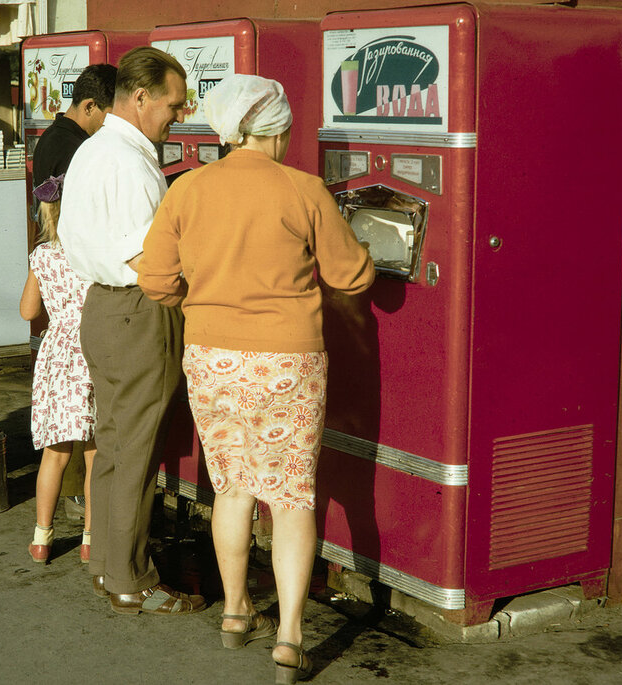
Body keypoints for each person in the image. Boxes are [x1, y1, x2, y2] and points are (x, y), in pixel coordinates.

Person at [137, 74, 375, 682]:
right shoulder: (305, 189)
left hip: (212, 357)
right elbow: (352, 277)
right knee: (292, 496)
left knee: (233, 486)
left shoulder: (187, 189)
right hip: (288, 361)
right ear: (279, 128)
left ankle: (237, 612)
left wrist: (208, 296)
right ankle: (292, 637)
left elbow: (157, 282)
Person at [58, 46, 205, 615]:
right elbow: (154, 259)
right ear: (140, 97)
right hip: (139, 311)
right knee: (136, 454)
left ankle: (107, 566)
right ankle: (132, 579)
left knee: (115, 445)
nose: (177, 116)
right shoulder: (129, 161)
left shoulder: (95, 150)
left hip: (103, 308)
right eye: (171, 105)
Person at [21, 63, 117, 565]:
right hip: (91, 349)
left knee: (54, 454)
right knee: (95, 453)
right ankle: (87, 541)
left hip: (56, 356)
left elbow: (25, 310)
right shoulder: (86, 253)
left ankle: (39, 537)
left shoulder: (42, 255)